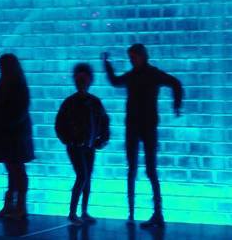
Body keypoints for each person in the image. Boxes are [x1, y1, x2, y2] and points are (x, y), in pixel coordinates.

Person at [104, 44, 182, 228]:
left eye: (133, 57)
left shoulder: (153, 74)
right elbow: (115, 81)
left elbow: (175, 84)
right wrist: (107, 65)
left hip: (146, 127)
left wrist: (177, 104)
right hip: (134, 127)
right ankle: (132, 213)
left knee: (149, 170)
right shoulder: (133, 75)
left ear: (142, 56)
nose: (132, 61)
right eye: (130, 58)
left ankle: (157, 213)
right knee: (132, 169)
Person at [55, 63, 110, 225]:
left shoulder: (93, 102)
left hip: (89, 145)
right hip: (76, 146)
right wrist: (69, 140)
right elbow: (59, 125)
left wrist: (101, 139)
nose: (82, 82)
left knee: (86, 177)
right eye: (79, 79)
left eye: (84, 79)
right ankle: (73, 213)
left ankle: (83, 212)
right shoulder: (73, 102)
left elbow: (104, 122)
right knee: (83, 176)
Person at [0, 53, 34, 220]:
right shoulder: (10, 82)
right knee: (13, 169)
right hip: (9, 133)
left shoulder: (15, 84)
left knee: (17, 169)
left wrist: (5, 126)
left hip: (14, 135)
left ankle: (18, 207)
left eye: (1, 65)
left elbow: (19, 111)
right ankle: (12, 207)